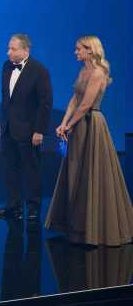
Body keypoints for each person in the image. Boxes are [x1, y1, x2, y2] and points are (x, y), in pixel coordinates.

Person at [44, 36, 133, 246]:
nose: (75, 52)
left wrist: (69, 126)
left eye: (79, 49)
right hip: (78, 125)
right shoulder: (83, 71)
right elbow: (75, 99)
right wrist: (63, 122)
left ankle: (98, 229)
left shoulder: (98, 72)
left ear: (90, 50)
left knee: (94, 173)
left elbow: (86, 105)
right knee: (76, 172)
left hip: (91, 124)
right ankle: (77, 227)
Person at [0, 33, 52, 222]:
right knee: (10, 168)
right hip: (9, 128)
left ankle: (34, 207)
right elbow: (6, 100)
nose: (8, 52)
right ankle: (14, 206)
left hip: (29, 131)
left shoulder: (39, 70)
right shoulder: (6, 67)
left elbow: (45, 103)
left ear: (25, 50)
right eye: (8, 48)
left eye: (12, 49)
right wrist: (3, 123)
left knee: (31, 169)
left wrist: (39, 130)